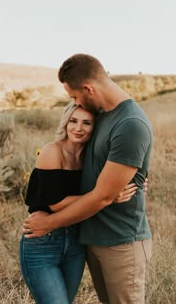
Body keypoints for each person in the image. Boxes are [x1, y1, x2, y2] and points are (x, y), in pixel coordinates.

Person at [23, 53, 153, 304]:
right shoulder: (103, 115)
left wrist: (50, 223)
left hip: (120, 241)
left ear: (87, 88)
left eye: (74, 96)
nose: (75, 103)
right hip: (92, 237)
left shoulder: (130, 123)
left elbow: (104, 196)